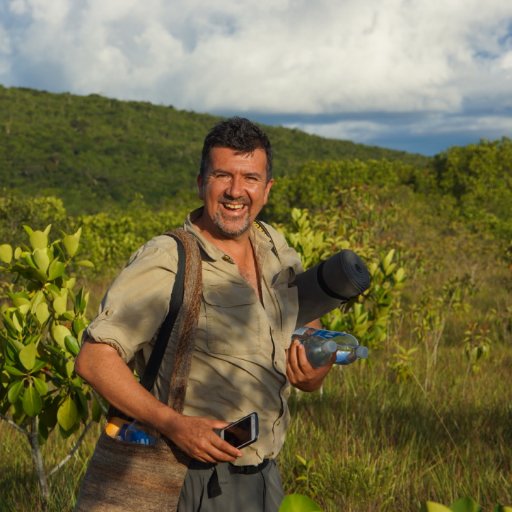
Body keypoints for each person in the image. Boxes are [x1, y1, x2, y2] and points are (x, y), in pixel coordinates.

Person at [75, 117, 344, 511]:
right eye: (222, 175)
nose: (236, 191)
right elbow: (94, 359)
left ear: (267, 189)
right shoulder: (168, 259)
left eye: (250, 178)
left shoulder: (275, 248)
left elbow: (304, 327)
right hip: (185, 477)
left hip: (263, 473)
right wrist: (174, 424)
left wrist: (316, 366)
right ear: (201, 183)